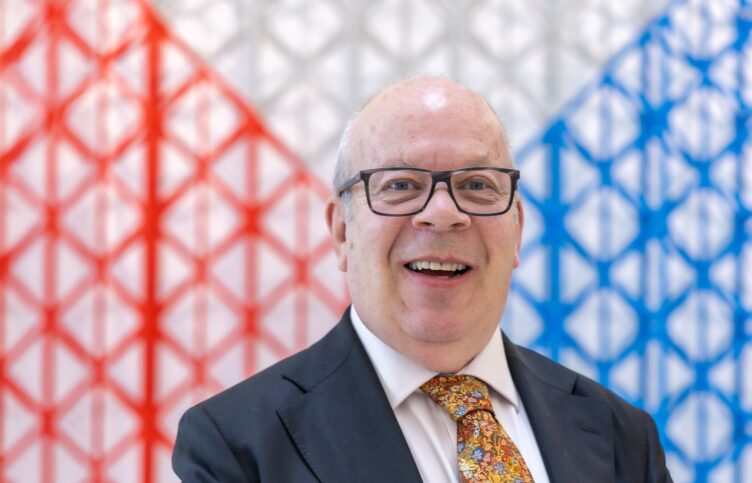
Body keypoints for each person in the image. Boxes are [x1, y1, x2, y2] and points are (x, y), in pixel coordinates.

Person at [172, 76, 673, 482]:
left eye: (477, 185)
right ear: (343, 232)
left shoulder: (621, 435)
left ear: (517, 230)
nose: (442, 214)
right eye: (401, 185)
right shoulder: (237, 447)